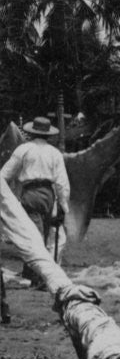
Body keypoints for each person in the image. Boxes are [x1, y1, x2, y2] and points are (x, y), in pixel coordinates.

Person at [1, 116, 70, 281]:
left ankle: (36, 273)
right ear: (48, 135)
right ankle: (35, 272)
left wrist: (8, 197)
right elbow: (62, 182)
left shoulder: (24, 150)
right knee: (43, 232)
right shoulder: (55, 153)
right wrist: (63, 204)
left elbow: (4, 175)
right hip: (48, 194)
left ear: (32, 133)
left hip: (30, 193)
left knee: (32, 233)